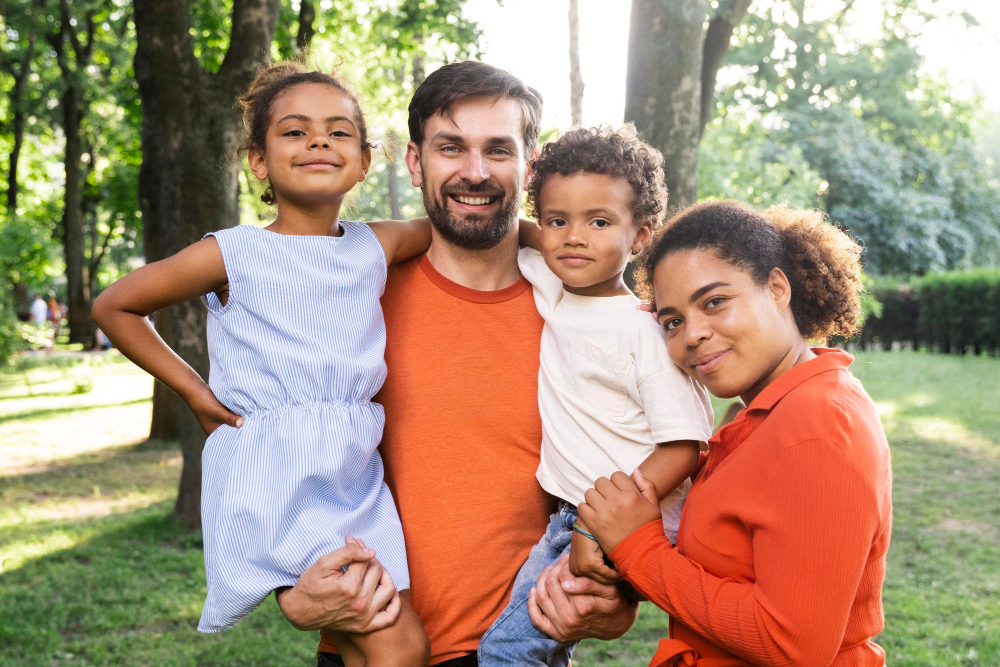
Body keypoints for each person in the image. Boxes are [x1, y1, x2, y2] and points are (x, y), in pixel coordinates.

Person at [276, 61, 640, 667]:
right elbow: (270, 447)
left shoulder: (585, 309)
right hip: (365, 641)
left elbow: (638, 465)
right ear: (416, 162)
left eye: (498, 149)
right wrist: (289, 589)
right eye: (451, 148)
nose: (475, 172)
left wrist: (618, 598)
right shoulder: (349, 292)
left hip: (515, 648)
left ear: (530, 164)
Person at [92, 62, 432, 667]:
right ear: (258, 160)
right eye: (295, 132)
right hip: (280, 468)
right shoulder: (234, 251)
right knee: (397, 642)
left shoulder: (374, 243)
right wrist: (193, 392)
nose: (319, 142)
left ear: (364, 161)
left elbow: (462, 231)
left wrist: (542, 236)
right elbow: (116, 305)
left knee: (362, 642)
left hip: (355, 469)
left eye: (339, 132)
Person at [579, 200, 893, 666]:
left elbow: (792, 647)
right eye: (672, 321)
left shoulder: (818, 426)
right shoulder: (757, 418)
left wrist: (637, 549)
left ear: (777, 288)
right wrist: (622, 572)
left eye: (715, 302)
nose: (692, 335)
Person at [477, 125, 713, 667]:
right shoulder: (551, 285)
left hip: (614, 522)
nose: (574, 237)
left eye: (599, 222)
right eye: (559, 220)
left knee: (505, 653)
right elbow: (515, 232)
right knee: (540, 646)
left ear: (642, 235)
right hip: (572, 516)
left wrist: (596, 527)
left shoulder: (643, 332)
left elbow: (686, 447)